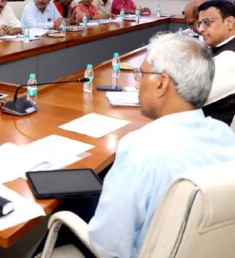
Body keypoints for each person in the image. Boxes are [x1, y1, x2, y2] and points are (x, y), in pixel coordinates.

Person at [87, 32, 235, 258]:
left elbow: (107, 246)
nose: (137, 82)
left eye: (141, 74)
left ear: (161, 84)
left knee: (73, 205)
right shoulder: (225, 135)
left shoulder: (140, 148)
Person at [197, 0, 235, 125]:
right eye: (199, 23)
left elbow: (192, 98)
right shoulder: (217, 48)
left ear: (229, 23)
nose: (200, 29)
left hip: (214, 131)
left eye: (206, 22)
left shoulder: (230, 57)